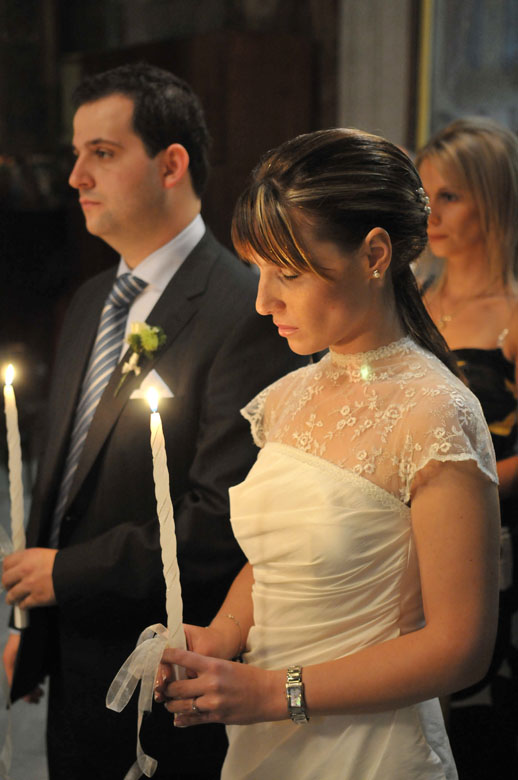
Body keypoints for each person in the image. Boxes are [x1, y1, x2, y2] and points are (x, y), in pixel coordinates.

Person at [154, 128, 501, 780]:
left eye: (287, 273)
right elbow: (278, 561)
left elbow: (461, 646)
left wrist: (275, 692)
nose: (263, 301)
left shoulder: (435, 412)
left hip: (371, 749)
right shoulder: (288, 397)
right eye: (259, 270)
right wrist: (222, 634)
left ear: (374, 254)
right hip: (264, 742)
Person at [1, 63, 307, 780]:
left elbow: (223, 515)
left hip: (168, 668)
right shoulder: (89, 302)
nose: (76, 177)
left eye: (102, 153)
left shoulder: (244, 310)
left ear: (171, 164)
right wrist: (35, 631)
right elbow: (68, 479)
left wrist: (66, 574)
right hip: (72, 659)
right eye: (76, 154)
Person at [416, 116, 518, 778]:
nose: (431, 213)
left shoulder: (512, 313)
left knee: (479, 726)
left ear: (494, 199)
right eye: (424, 196)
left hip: (493, 539)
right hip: (408, 535)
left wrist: (459, 489)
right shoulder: (415, 296)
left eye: (449, 196)